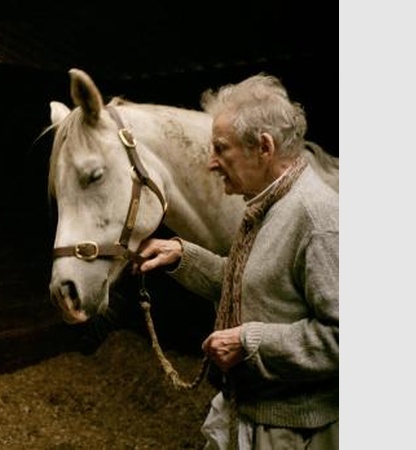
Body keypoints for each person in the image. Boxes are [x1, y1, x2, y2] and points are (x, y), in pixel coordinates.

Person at [134, 74, 338, 449]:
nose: (211, 163)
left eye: (221, 149)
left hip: (292, 433)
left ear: (264, 147)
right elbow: (259, 285)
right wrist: (183, 256)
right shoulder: (269, 206)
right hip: (252, 413)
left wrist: (250, 342)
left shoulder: (316, 218)